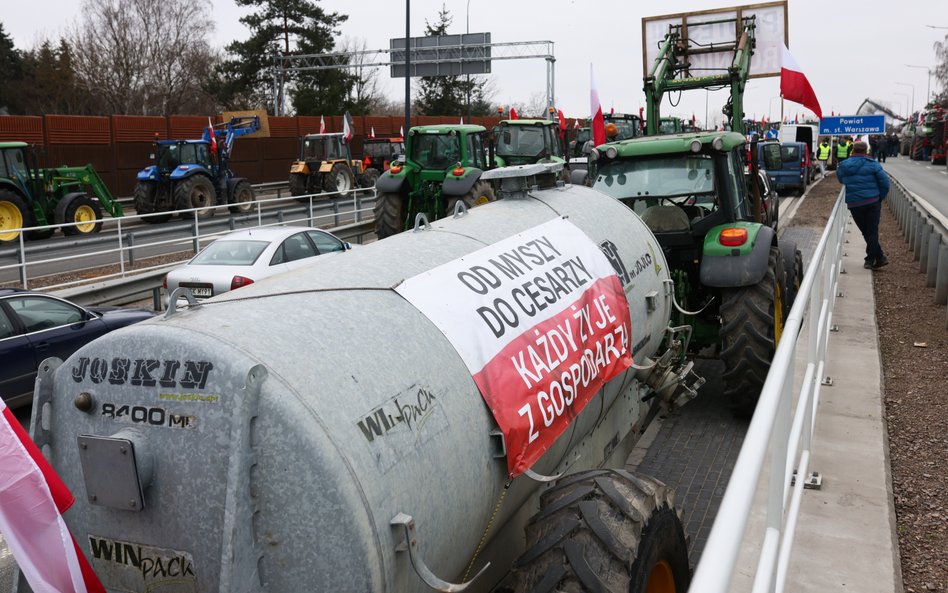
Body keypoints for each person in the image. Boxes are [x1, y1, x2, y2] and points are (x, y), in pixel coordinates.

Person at [835, 141, 889, 269]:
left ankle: (877, 258)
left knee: (866, 231)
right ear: (866, 151)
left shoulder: (843, 165)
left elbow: (841, 179)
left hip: (855, 203)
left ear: (853, 150)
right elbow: (885, 183)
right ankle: (873, 259)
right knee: (872, 231)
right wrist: (879, 197)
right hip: (872, 202)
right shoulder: (873, 165)